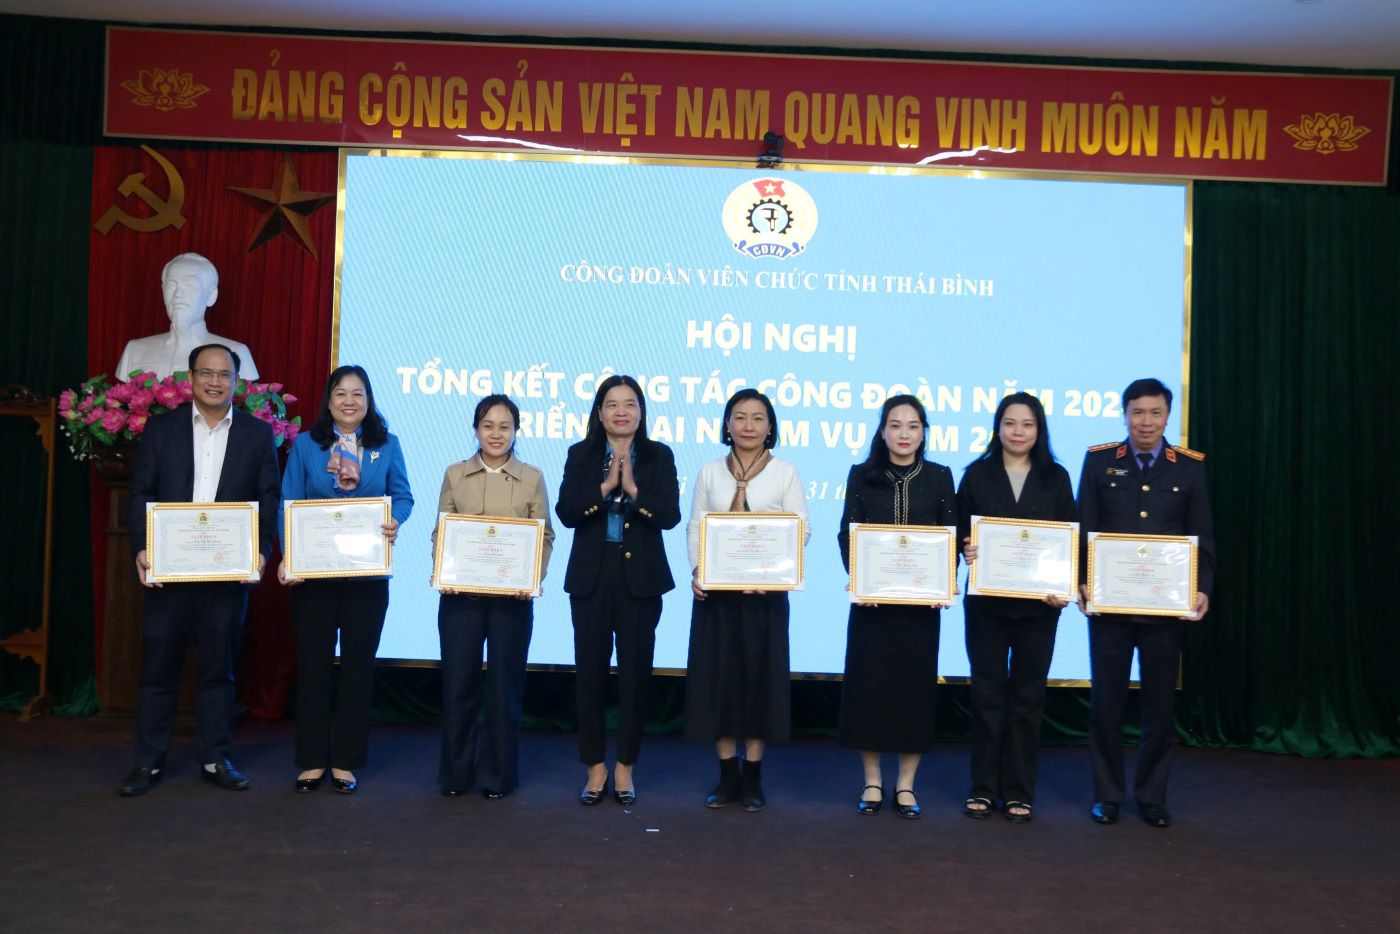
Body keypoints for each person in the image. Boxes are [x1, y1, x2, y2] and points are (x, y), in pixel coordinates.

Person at [119, 343, 280, 796]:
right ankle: (148, 762)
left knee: (219, 671)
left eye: (224, 375)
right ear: (190, 378)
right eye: (206, 373)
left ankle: (215, 756)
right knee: (158, 670)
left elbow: (269, 498)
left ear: (236, 382)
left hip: (226, 575)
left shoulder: (257, 434)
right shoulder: (161, 428)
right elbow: (141, 492)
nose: (215, 382)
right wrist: (142, 548)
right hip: (170, 571)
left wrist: (261, 551)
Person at [1078, 377, 1214, 828]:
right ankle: (1108, 795)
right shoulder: (1100, 462)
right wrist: (1082, 581)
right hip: (1110, 608)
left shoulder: (1188, 467)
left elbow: (1201, 535)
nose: (1146, 421)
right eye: (1138, 412)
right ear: (1125, 415)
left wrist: (1202, 587)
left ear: (1168, 417)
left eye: (1155, 413)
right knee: (1106, 706)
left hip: (1163, 610)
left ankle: (1152, 796)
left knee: (1159, 708)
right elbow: (1085, 528)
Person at [276, 365, 413, 795]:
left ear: (368, 400)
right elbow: (288, 501)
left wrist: (395, 519)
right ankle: (312, 760)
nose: (349, 401)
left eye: (358, 394)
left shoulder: (387, 445)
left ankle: (346, 761)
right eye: (340, 393)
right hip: (315, 575)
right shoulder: (305, 445)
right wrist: (290, 556)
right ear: (329, 400)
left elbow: (403, 496)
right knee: (313, 667)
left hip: (366, 576)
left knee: (357, 668)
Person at [556, 375, 680, 806]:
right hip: (591, 578)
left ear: (641, 412)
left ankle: (625, 766)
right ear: (599, 412)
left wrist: (633, 493)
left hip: (640, 580)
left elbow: (669, 516)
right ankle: (595, 768)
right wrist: (605, 489)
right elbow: (567, 512)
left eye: (630, 404)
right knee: (589, 677)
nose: (621, 411)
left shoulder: (659, 455)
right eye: (612, 404)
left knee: (635, 677)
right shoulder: (581, 454)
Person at [684, 389, 809, 812]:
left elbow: (801, 529)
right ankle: (726, 776)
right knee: (718, 683)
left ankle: (753, 776)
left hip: (764, 599)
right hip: (716, 598)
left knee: (759, 685)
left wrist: (774, 575)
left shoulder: (785, 473)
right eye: (740, 417)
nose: (749, 426)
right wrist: (698, 571)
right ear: (727, 424)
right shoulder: (709, 473)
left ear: (770, 426)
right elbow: (696, 527)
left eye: (758, 418)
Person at [956, 392, 1076, 823]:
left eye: (1027, 424)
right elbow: (958, 533)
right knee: (986, 697)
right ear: (998, 427)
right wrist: (966, 548)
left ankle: (1019, 791)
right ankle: (983, 788)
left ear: (1039, 430)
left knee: (1028, 699)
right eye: (1010, 423)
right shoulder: (977, 475)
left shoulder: (1056, 477)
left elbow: (1069, 537)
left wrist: (1063, 584)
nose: (1018, 432)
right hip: (987, 607)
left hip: (1039, 610)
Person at [837, 394, 956, 819]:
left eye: (913, 426)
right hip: (871, 606)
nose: (904, 433)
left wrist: (944, 581)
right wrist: (860, 577)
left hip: (920, 609)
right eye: (895, 425)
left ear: (924, 433)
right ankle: (872, 780)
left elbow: (949, 534)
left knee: (913, 693)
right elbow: (847, 533)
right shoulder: (862, 474)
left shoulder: (940, 477)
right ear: (883, 430)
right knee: (869, 691)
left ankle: (906, 784)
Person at [435, 395, 554, 800]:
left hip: (512, 601)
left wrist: (532, 577)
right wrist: (442, 570)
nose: (496, 434)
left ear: (516, 431)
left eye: (505, 426)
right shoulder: (454, 474)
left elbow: (544, 536)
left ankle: (497, 777)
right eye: (488, 426)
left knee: (504, 689)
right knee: (458, 686)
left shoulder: (533, 478)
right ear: (476, 429)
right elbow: (442, 531)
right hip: (460, 599)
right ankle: (456, 776)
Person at [116, 253, 259, 381]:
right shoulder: (135, 350)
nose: (178, 294)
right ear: (163, 291)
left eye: (190, 285)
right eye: (172, 285)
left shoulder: (235, 352)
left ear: (211, 296)